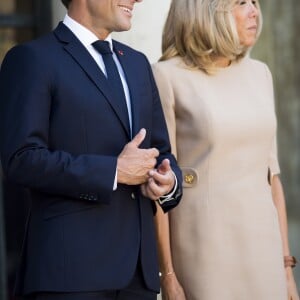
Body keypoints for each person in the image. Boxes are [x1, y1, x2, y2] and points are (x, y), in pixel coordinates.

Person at [0, 0, 183, 299]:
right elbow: (21, 159)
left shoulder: (137, 64)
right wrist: (113, 171)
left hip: (138, 277)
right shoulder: (33, 59)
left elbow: (161, 152)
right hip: (71, 275)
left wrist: (168, 180)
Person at [152, 0, 299, 299]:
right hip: (204, 253)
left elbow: (272, 178)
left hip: (264, 250)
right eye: (241, 3)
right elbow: (158, 185)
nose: (254, 11)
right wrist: (167, 276)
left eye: (255, 2)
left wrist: (286, 269)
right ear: (204, 10)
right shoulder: (166, 76)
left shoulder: (260, 74)